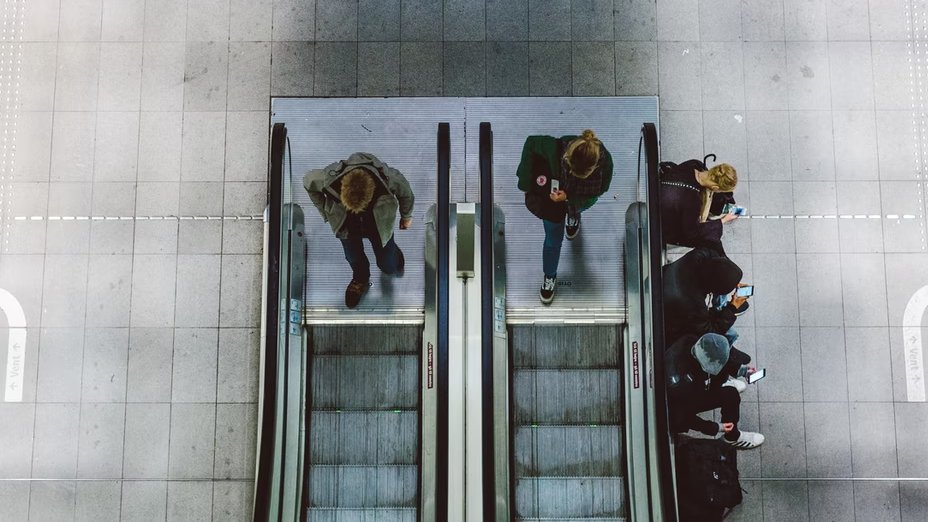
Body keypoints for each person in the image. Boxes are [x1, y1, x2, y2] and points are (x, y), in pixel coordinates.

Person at [304, 152, 414, 308]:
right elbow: (308, 182)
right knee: (353, 257)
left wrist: (406, 216)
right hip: (347, 225)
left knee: (387, 264)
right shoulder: (328, 179)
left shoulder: (388, 180)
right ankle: (360, 278)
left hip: (378, 223)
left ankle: (391, 258)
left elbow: (406, 193)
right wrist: (324, 210)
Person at [516, 129, 614, 304]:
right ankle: (550, 275)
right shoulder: (555, 148)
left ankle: (573, 216)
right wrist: (525, 183)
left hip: (577, 200)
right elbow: (531, 142)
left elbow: (596, 193)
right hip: (555, 204)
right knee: (553, 240)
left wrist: (569, 198)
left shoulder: (605, 165)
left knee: (575, 211)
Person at [665, 332, 765, 449]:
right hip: (684, 399)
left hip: (696, 382)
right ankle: (732, 437)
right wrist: (715, 427)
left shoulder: (693, 341)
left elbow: (717, 356)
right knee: (731, 394)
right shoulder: (679, 383)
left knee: (727, 389)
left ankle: (719, 385)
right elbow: (682, 416)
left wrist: (742, 371)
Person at [662, 246, 749, 343]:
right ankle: (721, 310)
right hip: (665, 316)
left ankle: (720, 309)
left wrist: (731, 278)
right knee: (729, 333)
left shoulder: (699, 256)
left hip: (663, 277)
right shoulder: (694, 304)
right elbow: (710, 332)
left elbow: (718, 256)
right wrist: (732, 308)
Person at [660, 157, 738, 254]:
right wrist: (723, 221)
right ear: (715, 187)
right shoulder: (693, 201)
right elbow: (691, 232)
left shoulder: (694, 164)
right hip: (662, 223)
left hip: (662, 192)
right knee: (708, 240)